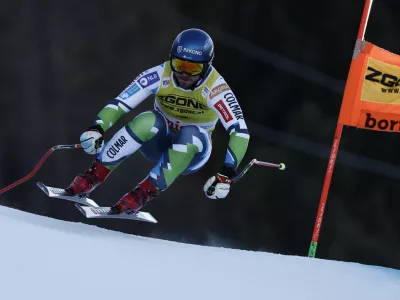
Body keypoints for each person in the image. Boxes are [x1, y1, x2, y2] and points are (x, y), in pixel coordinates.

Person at [65, 28, 250, 214]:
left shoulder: (216, 88)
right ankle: (92, 177)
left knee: (191, 134)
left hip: (192, 154)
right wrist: (97, 127)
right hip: (157, 142)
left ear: (207, 66)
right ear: (171, 59)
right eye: (179, 65)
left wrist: (226, 172)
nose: (184, 74)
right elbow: (122, 102)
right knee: (147, 119)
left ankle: (139, 196)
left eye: (193, 68)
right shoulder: (160, 74)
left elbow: (239, 131)